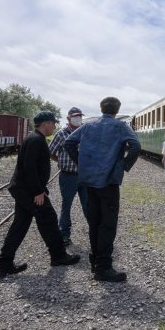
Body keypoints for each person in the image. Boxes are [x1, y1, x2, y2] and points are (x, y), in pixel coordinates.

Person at [64, 97, 141, 282]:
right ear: (117, 109)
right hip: (108, 183)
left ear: (101, 108)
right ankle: (103, 267)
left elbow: (68, 143)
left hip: (89, 181)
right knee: (107, 224)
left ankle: (95, 261)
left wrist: (81, 164)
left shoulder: (89, 125)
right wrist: (122, 165)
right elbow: (136, 145)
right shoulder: (121, 126)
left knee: (95, 222)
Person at [0, 111, 80, 278]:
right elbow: (29, 168)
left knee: (20, 225)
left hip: (24, 190)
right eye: (52, 123)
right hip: (29, 191)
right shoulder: (35, 140)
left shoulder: (34, 138)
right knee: (48, 218)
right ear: (45, 123)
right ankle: (59, 256)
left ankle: (3, 264)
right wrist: (38, 191)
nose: (54, 126)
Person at [48, 107, 88, 246]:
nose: (78, 119)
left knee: (89, 205)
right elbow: (50, 151)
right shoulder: (61, 134)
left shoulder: (85, 132)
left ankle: (94, 232)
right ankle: (64, 234)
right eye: (75, 116)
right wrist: (59, 160)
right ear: (69, 118)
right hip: (68, 176)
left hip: (84, 176)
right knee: (66, 205)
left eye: (80, 116)